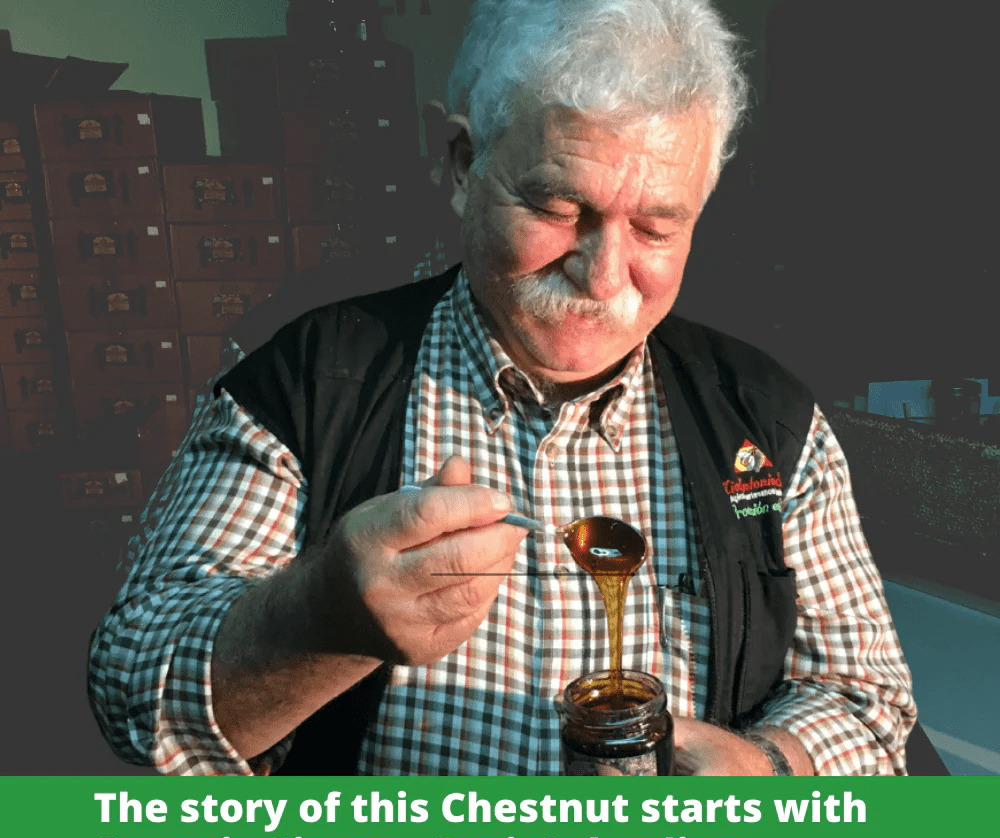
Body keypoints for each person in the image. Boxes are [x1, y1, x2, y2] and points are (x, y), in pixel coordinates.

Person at [88, 0, 915, 777]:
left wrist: (769, 764)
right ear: (460, 163)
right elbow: (130, 692)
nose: (602, 276)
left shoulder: (768, 422)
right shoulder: (310, 382)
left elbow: (867, 701)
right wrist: (317, 620)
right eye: (558, 207)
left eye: (657, 227)